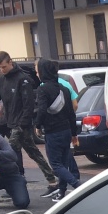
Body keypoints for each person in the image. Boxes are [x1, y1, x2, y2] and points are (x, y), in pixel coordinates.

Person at [0, 50, 57, 193]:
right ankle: (50, 180)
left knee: (11, 152)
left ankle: (16, 183)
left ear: (10, 62)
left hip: (21, 124)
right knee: (31, 152)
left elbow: (28, 105)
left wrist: (23, 124)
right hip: (10, 122)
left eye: (4, 67)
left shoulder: (23, 79)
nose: (2, 70)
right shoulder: (2, 80)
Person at [34, 58, 80, 201]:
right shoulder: (64, 89)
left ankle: (78, 186)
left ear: (43, 72)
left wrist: (37, 125)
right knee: (64, 163)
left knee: (55, 164)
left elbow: (41, 110)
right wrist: (74, 134)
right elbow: (71, 114)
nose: (36, 74)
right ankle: (62, 191)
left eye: (37, 71)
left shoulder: (42, 89)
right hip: (66, 130)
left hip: (53, 132)